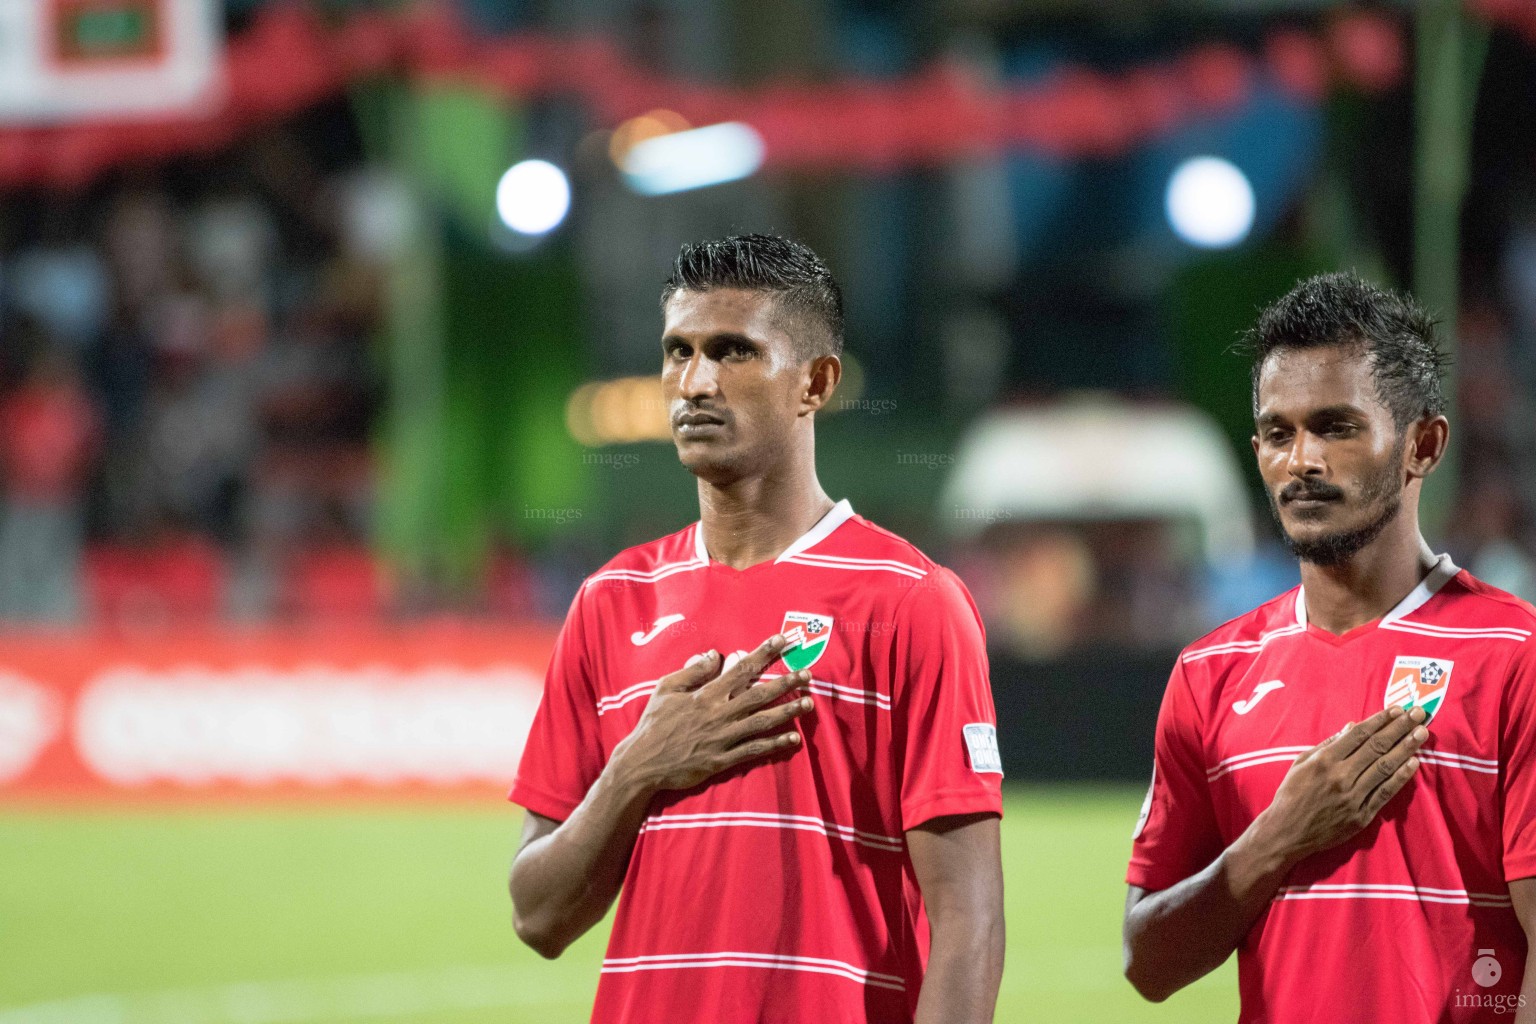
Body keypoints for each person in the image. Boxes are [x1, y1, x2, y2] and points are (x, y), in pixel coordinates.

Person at [509, 234, 1005, 1023]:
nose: (694, 383)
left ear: (816, 381)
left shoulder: (911, 601)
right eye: (679, 352)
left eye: (732, 351)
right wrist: (635, 769)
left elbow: (969, 915)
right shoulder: (612, 601)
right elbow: (538, 914)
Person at [1122, 272, 1536, 1021]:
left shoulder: (1515, 656)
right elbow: (1148, 962)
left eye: (1336, 427)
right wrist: (1276, 837)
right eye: (1279, 434)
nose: (1301, 461)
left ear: (1424, 445)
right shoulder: (1210, 673)